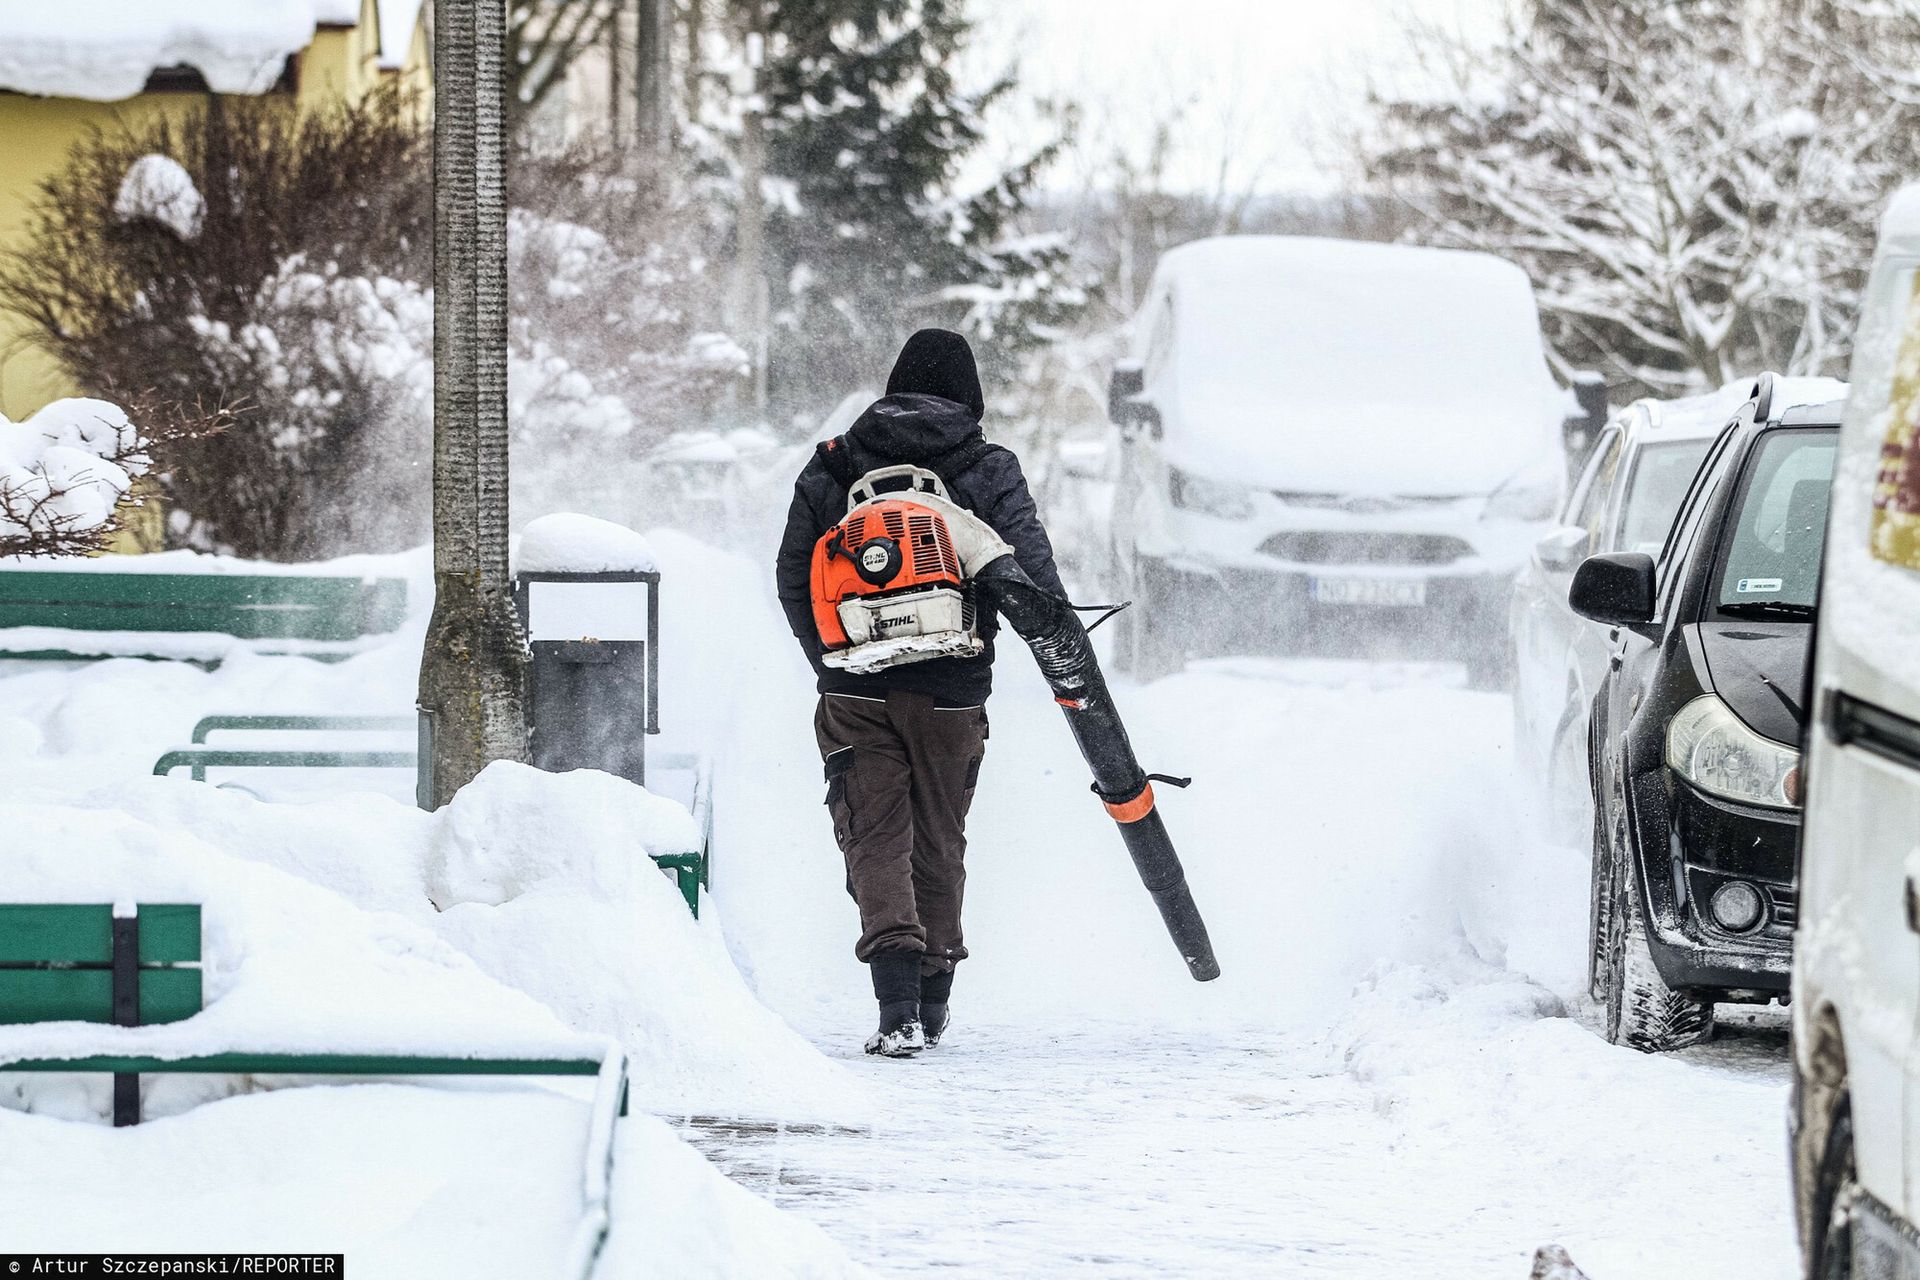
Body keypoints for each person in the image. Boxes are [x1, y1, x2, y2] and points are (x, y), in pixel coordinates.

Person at [775, 328, 1067, 1057]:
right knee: (940, 839)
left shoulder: (834, 463)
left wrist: (833, 658)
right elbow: (1031, 577)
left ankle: (896, 1007)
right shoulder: (986, 469)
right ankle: (933, 1002)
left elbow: (792, 574)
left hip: (856, 694)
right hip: (952, 693)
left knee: (874, 836)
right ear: (971, 396)